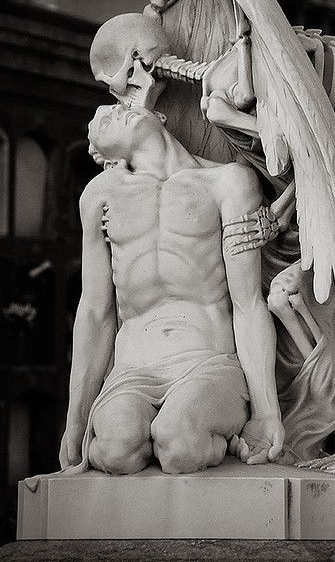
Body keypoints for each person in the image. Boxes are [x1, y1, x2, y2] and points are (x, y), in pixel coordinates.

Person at [59, 102, 284, 475]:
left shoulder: (229, 182)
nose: (114, 113)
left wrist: (266, 413)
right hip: (132, 369)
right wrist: (75, 420)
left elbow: (248, 304)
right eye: (102, 122)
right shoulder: (100, 196)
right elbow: (95, 312)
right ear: (107, 156)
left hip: (207, 363)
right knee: (115, 448)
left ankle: (219, 437)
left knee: (180, 443)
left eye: (118, 107)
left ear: (160, 115)